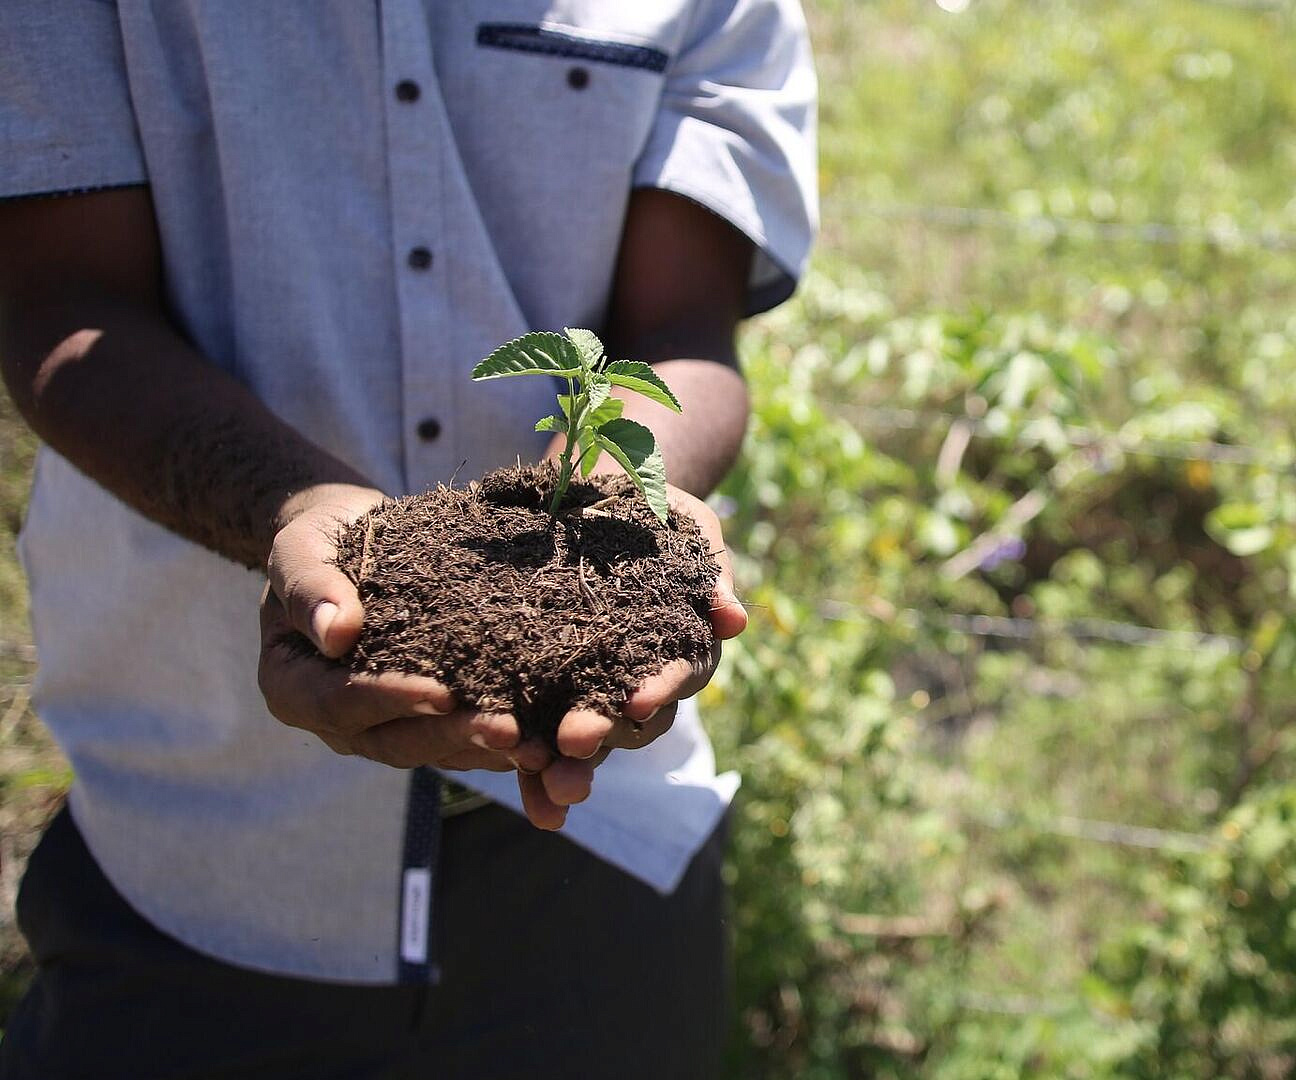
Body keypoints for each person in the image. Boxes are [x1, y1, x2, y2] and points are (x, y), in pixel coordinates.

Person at [0, 1, 815, 1075]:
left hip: (608, 859)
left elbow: (684, 328)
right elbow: (60, 299)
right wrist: (293, 510)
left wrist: (622, 501)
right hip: (196, 835)